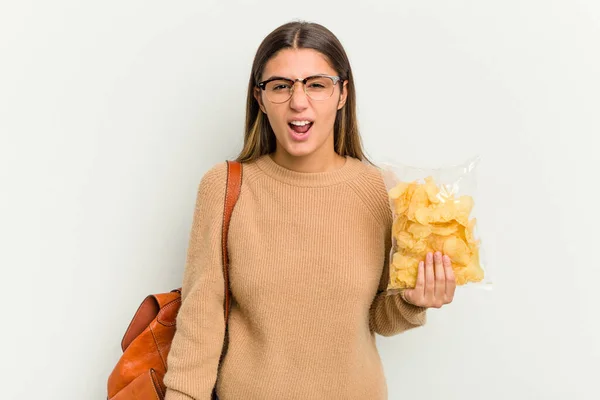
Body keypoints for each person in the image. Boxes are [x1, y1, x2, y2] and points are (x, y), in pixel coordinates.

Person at [163, 20, 456, 400]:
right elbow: (199, 324)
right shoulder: (224, 187)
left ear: (342, 94)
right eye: (281, 86)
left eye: (316, 84)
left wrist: (412, 302)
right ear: (260, 98)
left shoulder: (382, 192)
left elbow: (378, 318)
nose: (298, 101)